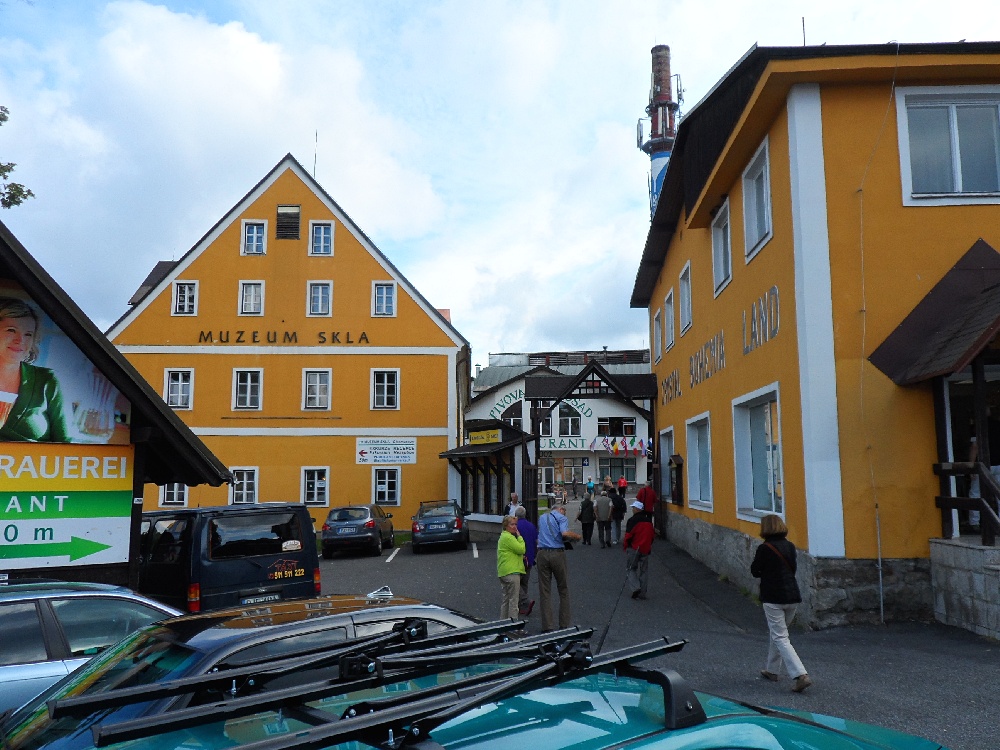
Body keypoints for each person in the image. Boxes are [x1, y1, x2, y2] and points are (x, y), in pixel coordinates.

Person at [750, 514, 812, 693]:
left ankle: (800, 675)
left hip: (773, 597)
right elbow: (793, 569)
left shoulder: (764, 548)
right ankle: (772, 670)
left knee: (780, 637)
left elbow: (755, 571)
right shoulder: (790, 546)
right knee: (778, 633)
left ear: (765, 528)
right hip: (792, 596)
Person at [0, 297, 70, 443]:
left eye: (28, 334)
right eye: (11, 330)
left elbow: (67, 445)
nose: (20, 340)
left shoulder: (47, 380)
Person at [535, 505, 581, 631]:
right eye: (564, 511)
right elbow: (564, 533)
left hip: (542, 553)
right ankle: (563, 624)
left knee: (545, 591)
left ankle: (547, 626)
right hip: (557, 554)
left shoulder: (542, 517)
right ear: (561, 509)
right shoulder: (561, 518)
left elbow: (539, 537)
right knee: (563, 588)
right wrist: (577, 537)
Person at [497, 515, 526, 621]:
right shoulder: (509, 537)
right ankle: (513, 625)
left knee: (506, 600)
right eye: (512, 524)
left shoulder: (503, 536)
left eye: (515, 524)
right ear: (506, 525)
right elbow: (521, 549)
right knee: (514, 601)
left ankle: (503, 623)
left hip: (504, 571)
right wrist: (520, 537)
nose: (514, 527)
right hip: (512, 572)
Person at [623, 500, 654, 599]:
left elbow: (628, 535)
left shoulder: (632, 520)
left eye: (633, 508)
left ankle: (635, 587)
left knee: (631, 568)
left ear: (637, 509)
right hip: (645, 548)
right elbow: (652, 535)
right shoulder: (648, 521)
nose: (632, 509)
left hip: (634, 548)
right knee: (644, 570)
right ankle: (642, 593)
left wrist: (626, 546)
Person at [514, 505, 537, 616]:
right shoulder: (531, 526)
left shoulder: (515, 527)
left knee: (515, 582)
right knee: (524, 582)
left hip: (519, 558)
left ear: (516, 515)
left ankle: (525, 601)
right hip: (530, 558)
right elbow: (536, 541)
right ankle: (523, 607)